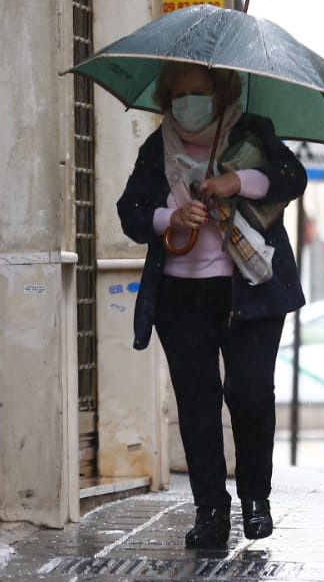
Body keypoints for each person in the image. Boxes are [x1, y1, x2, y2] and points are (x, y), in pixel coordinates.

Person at [117, 62, 308, 548]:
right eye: (178, 94)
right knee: (197, 404)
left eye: (197, 92)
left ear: (220, 95)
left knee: (247, 394)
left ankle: (256, 500)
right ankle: (210, 511)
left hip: (251, 290)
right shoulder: (158, 147)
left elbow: (291, 178)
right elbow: (131, 211)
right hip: (181, 296)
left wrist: (237, 181)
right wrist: (170, 216)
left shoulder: (251, 132)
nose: (187, 102)